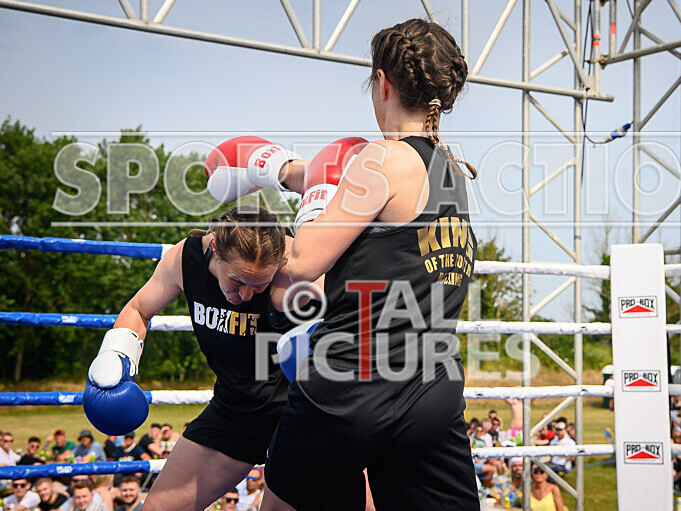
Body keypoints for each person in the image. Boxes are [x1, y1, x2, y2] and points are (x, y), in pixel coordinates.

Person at [263, 18, 478, 510]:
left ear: (382, 81)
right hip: (434, 390)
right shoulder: (453, 172)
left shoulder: (381, 158)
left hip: (351, 382)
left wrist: (315, 194)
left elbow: (301, 261)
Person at [82, 203, 322, 511]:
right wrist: (115, 355)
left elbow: (366, 311)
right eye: (237, 280)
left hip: (299, 415)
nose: (246, 295)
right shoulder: (186, 260)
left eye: (258, 284)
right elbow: (138, 309)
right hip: (235, 410)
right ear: (217, 247)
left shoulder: (299, 263)